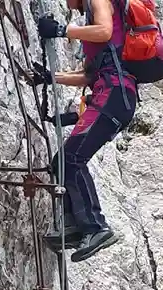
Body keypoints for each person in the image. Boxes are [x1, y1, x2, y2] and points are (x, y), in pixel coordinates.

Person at [33, 0, 137, 263]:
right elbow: (88, 76)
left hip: (114, 95)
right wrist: (50, 77)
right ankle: (74, 224)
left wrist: (62, 30)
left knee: (71, 159)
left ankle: (95, 227)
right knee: (63, 161)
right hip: (111, 94)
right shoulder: (96, 30)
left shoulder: (98, 1)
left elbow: (103, 30)